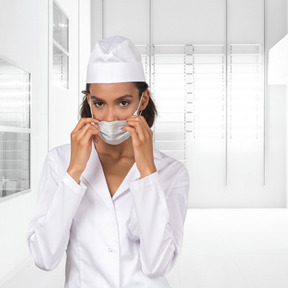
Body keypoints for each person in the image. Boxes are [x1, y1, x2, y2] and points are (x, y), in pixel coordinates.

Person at [27, 35, 189, 288]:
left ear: (142, 100)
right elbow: (44, 257)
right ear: (88, 100)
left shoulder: (171, 172)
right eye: (99, 103)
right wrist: (74, 173)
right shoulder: (59, 162)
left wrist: (147, 173)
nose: (110, 117)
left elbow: (157, 265)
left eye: (124, 103)